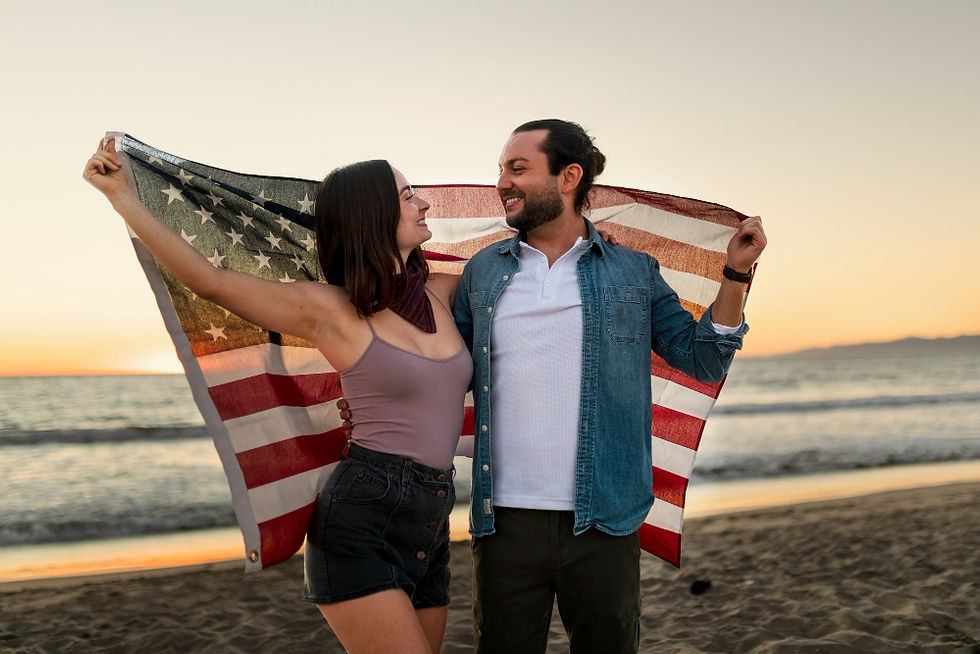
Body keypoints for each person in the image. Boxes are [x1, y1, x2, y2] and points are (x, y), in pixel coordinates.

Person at [84, 138, 471, 654]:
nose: (424, 203)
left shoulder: (442, 293)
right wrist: (123, 198)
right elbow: (211, 281)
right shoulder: (329, 309)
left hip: (433, 514)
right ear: (372, 213)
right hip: (364, 514)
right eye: (408, 194)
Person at [453, 119, 767, 653]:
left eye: (518, 168)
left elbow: (704, 359)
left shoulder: (633, 271)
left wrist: (735, 274)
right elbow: (446, 369)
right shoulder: (483, 272)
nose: (502, 182)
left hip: (604, 521)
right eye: (501, 169)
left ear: (569, 176)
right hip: (503, 520)